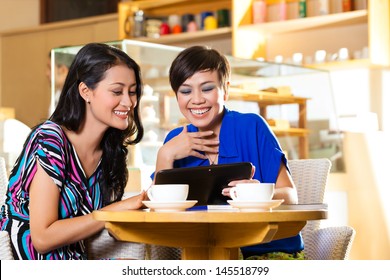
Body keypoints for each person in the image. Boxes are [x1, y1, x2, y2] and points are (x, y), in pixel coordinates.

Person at [153, 45, 303, 260]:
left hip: (267, 252)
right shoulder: (173, 141)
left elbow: (290, 196)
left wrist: (258, 195)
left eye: (207, 88)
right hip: (202, 254)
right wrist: (165, 155)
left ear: (226, 89)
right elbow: (161, 214)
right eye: (185, 91)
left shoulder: (252, 126)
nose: (196, 99)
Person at [0, 42, 146, 260]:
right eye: (117, 91)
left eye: (132, 92)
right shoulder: (50, 140)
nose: (128, 102)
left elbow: (92, 230)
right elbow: (42, 239)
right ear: (86, 91)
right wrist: (113, 211)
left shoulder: (110, 153)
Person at [46, 50, 75, 115]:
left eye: (50, 68)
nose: (47, 73)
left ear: (63, 70)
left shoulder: (75, 100)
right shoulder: (57, 95)